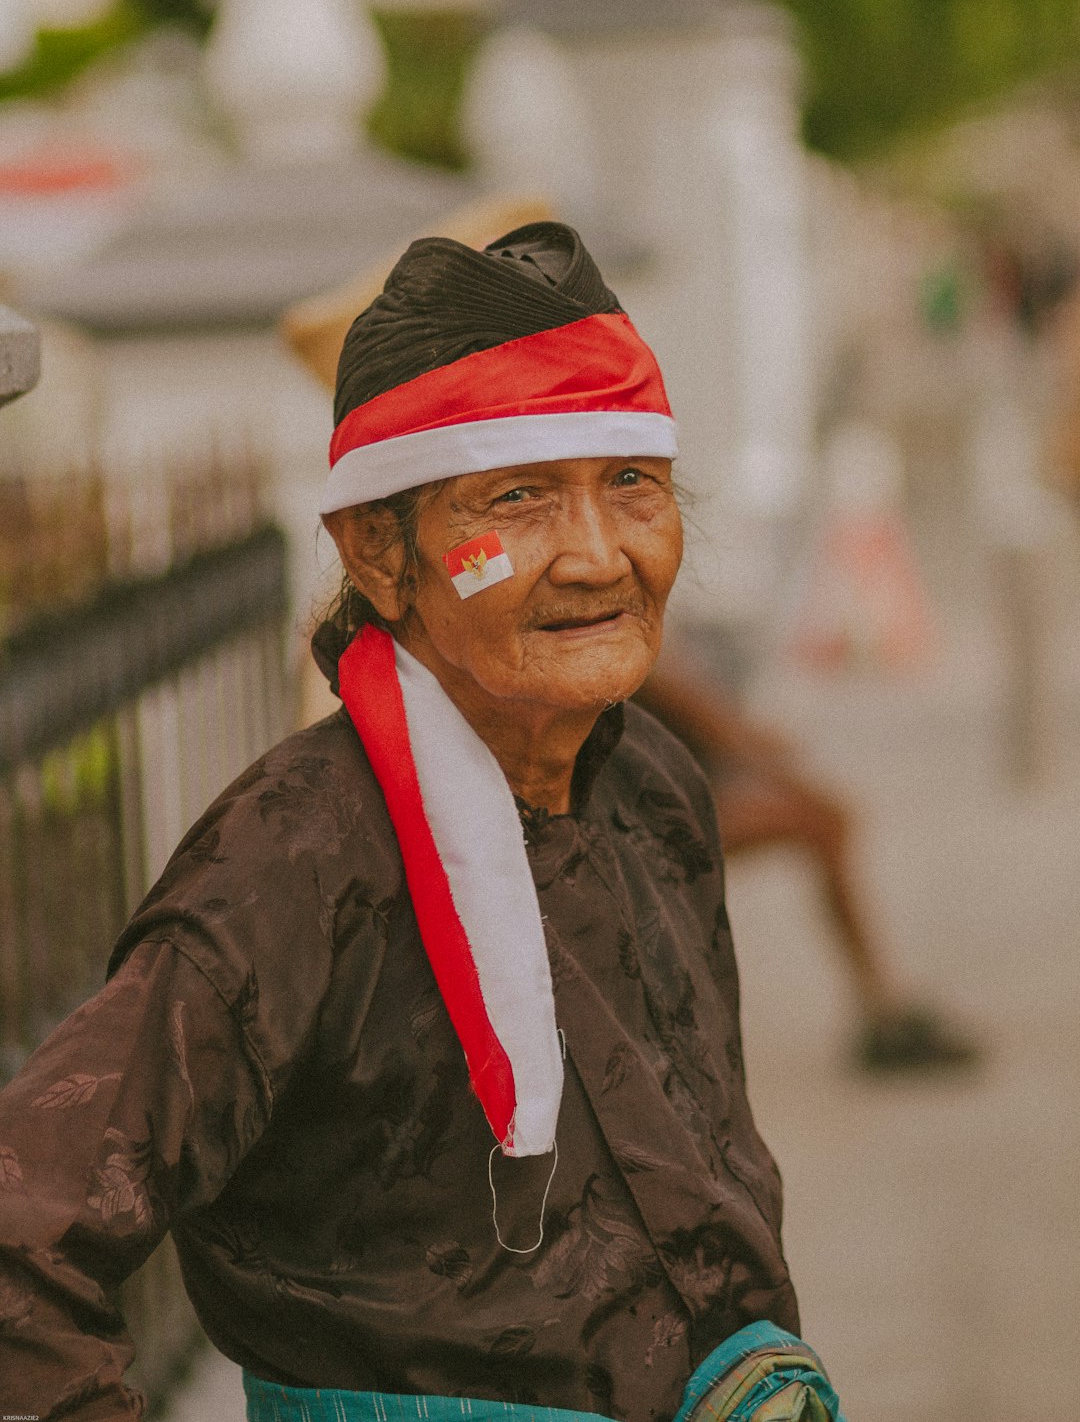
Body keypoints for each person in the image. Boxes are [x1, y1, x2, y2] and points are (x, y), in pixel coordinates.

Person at [0, 224, 843, 1422]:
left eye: (631, 485)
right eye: (519, 499)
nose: (600, 556)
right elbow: (20, 1235)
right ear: (382, 557)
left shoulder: (650, 782)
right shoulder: (295, 861)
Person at [635, 655, 980, 1073]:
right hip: (638, 818)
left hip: (655, 802)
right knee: (824, 823)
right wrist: (785, 773)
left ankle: (881, 1004)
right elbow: (719, 729)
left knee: (824, 821)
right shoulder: (640, 645)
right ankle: (882, 1007)